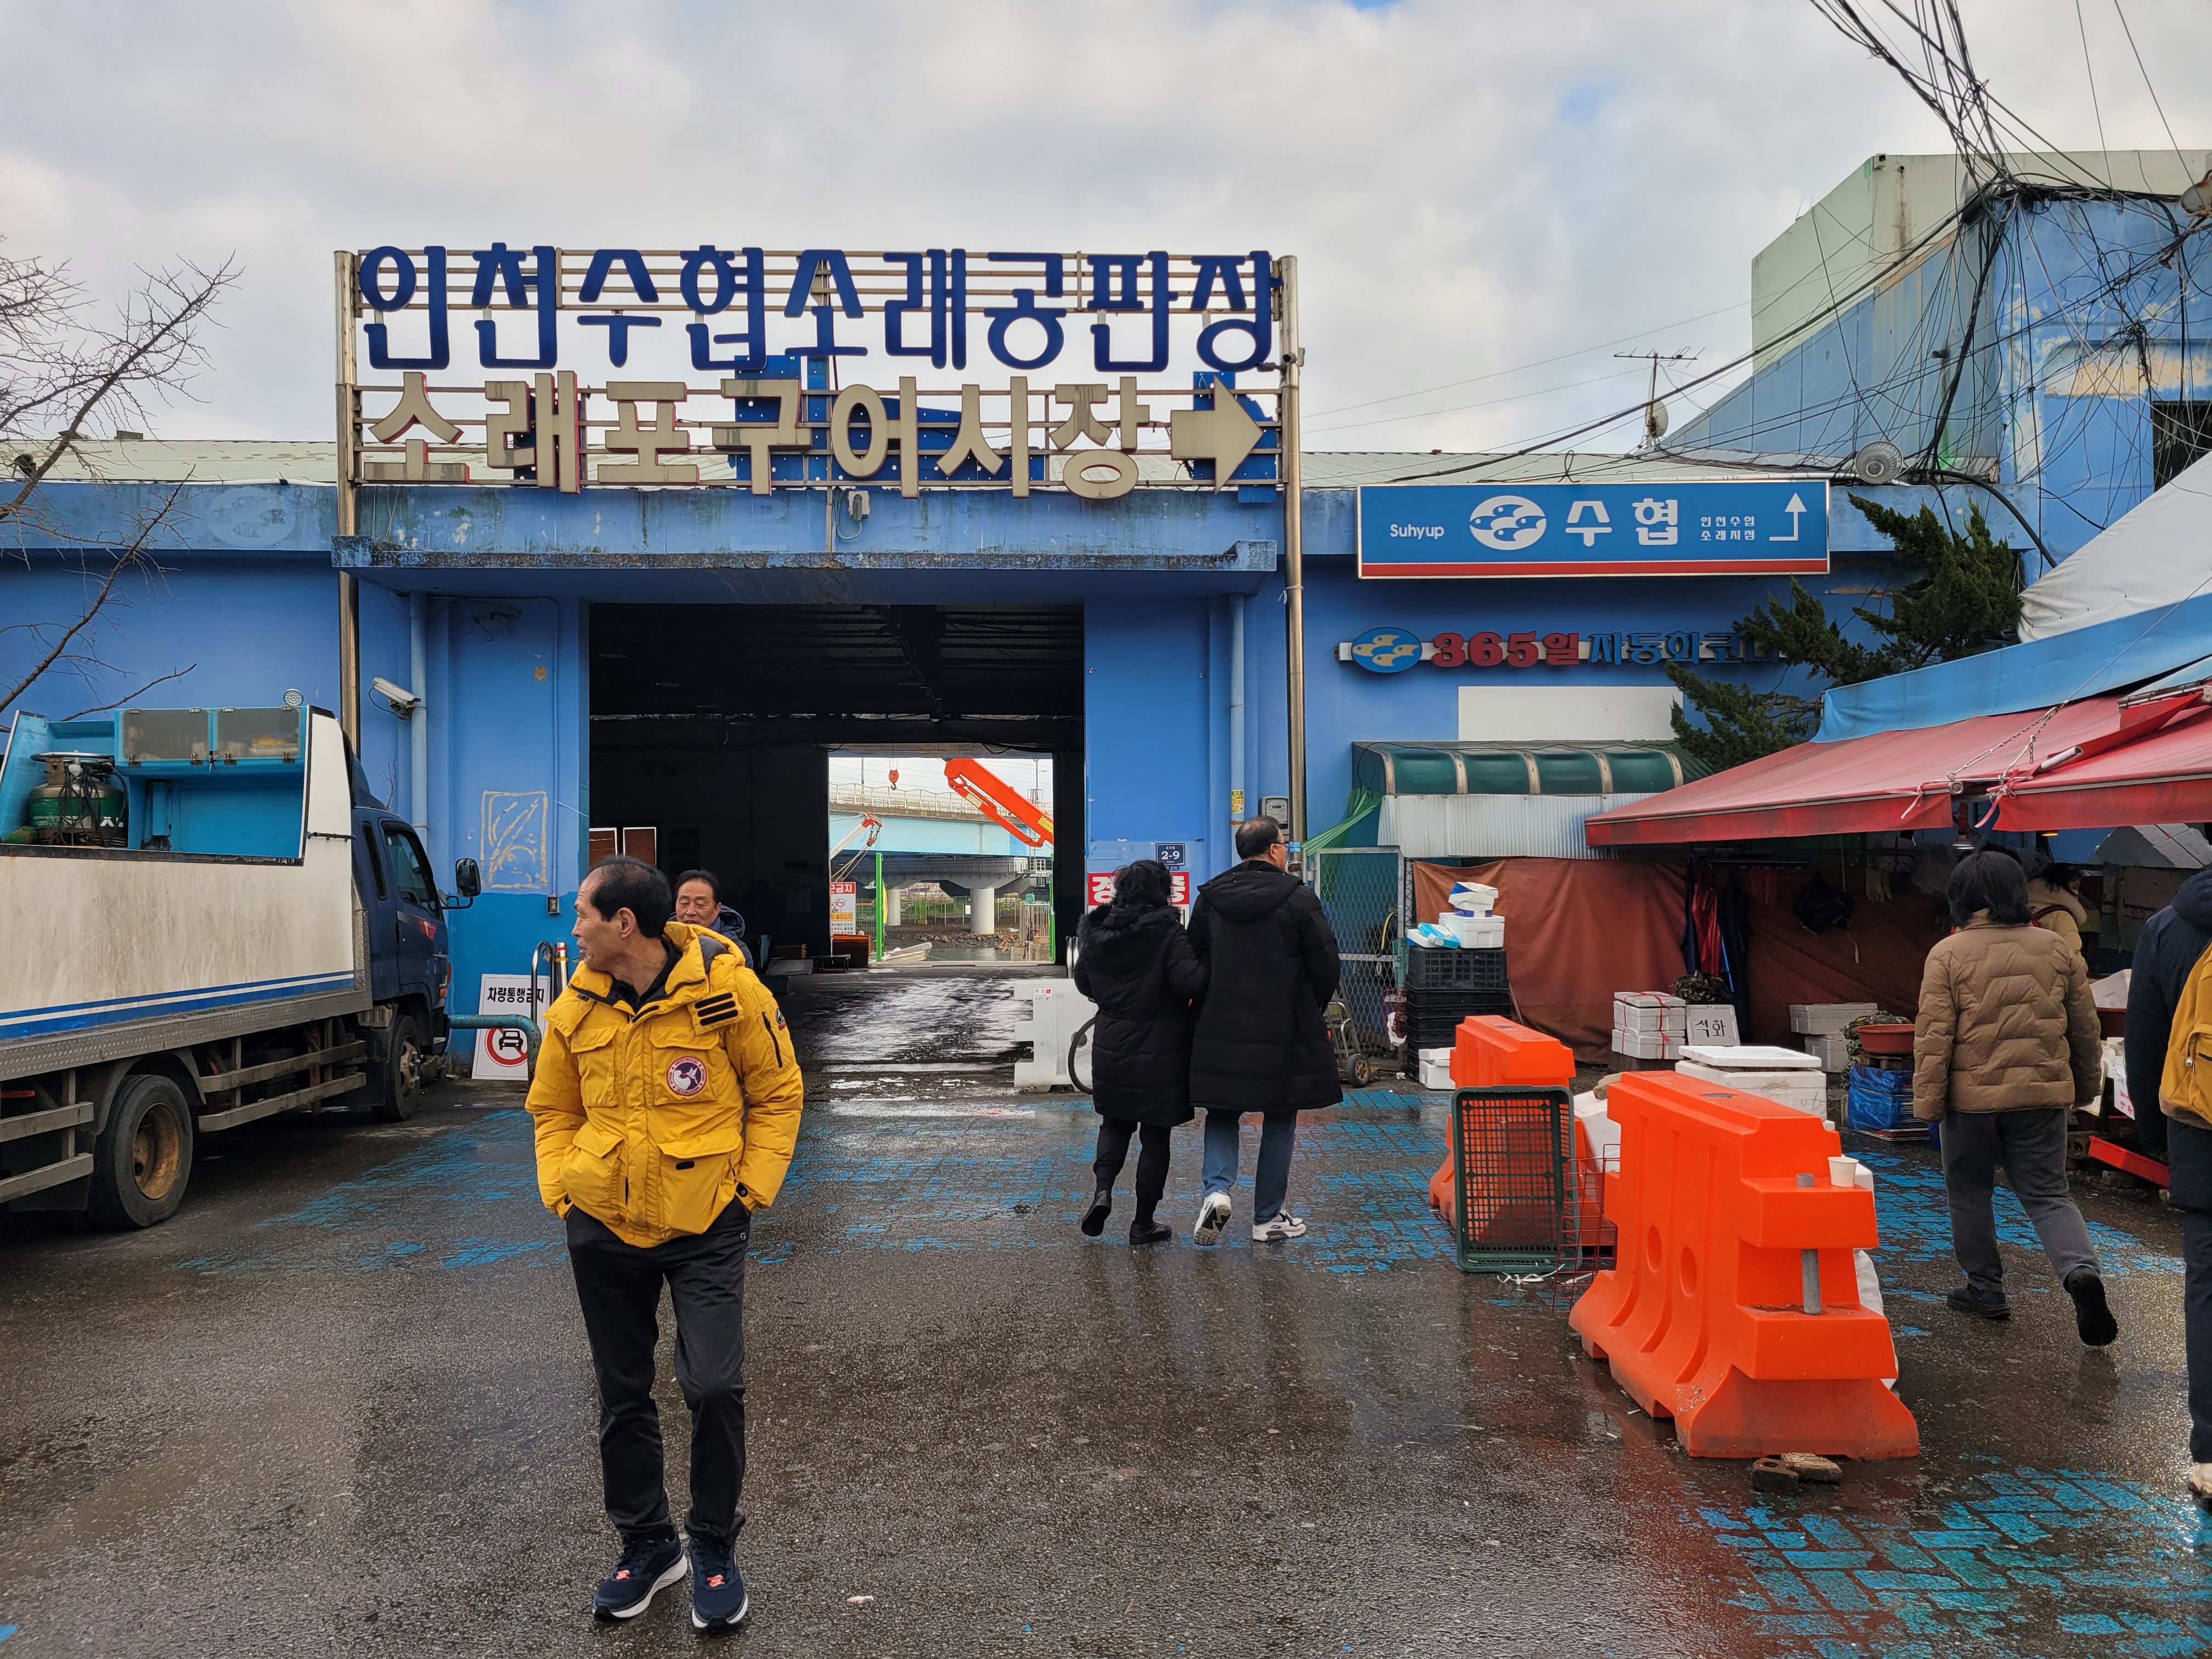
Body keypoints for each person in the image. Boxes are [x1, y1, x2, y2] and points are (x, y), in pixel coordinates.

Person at [526, 856, 804, 1630]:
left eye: (583, 914)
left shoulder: (728, 989)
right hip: (602, 1223)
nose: (573, 928)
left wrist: (749, 1192)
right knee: (621, 1391)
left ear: (625, 924)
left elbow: (778, 1092)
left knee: (713, 1387)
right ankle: (648, 1545)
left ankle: (712, 1544)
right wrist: (563, 1193)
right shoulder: (576, 1005)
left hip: (706, 1221)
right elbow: (552, 1108)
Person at [1912, 849, 2114, 1347]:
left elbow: (1934, 1038)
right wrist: (2085, 1089)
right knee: (2049, 1196)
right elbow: (2085, 1029)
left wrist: (1929, 1106)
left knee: (1970, 1193)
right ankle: (2081, 1273)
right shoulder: (2056, 948)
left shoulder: (1948, 954)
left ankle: (1986, 1291)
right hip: (2042, 1097)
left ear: (1962, 899)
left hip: (1970, 1103)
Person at [1185, 815, 1341, 1245]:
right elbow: (1326, 963)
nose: (1286, 850)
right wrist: (1308, 1008)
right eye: (1285, 844)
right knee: (1280, 1113)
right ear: (1274, 850)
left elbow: (1193, 961)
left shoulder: (1211, 899)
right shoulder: (1298, 898)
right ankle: (1267, 1217)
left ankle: (1217, 1191)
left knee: (1222, 1109)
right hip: (1283, 1027)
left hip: (1220, 1026)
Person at [2123, 864, 2212, 1508]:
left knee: (2208, 1287)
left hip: (2201, 1137)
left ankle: (2211, 1453)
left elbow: (2146, 1043)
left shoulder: (2168, 927)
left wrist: (2157, 1136)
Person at [1071, 859, 1206, 1246]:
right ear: (1162, 891)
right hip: (1160, 1047)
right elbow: (1190, 982)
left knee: (1114, 1124)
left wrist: (1112, 1000)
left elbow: (1083, 980)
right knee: (1156, 1136)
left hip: (1112, 1043)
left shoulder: (1098, 932)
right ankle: (1143, 1223)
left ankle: (1102, 1192)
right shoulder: (1168, 933)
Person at [674, 867, 752, 967]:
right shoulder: (662, 944)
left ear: (717, 909)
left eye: (700, 904)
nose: (691, 912)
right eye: (684, 903)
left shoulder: (737, 952)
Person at [2026, 857, 2091, 964]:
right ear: (2061, 888)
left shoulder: (2019, 909)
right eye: (2075, 887)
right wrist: (2084, 970)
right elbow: (2072, 957)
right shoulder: (2062, 917)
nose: (2077, 893)